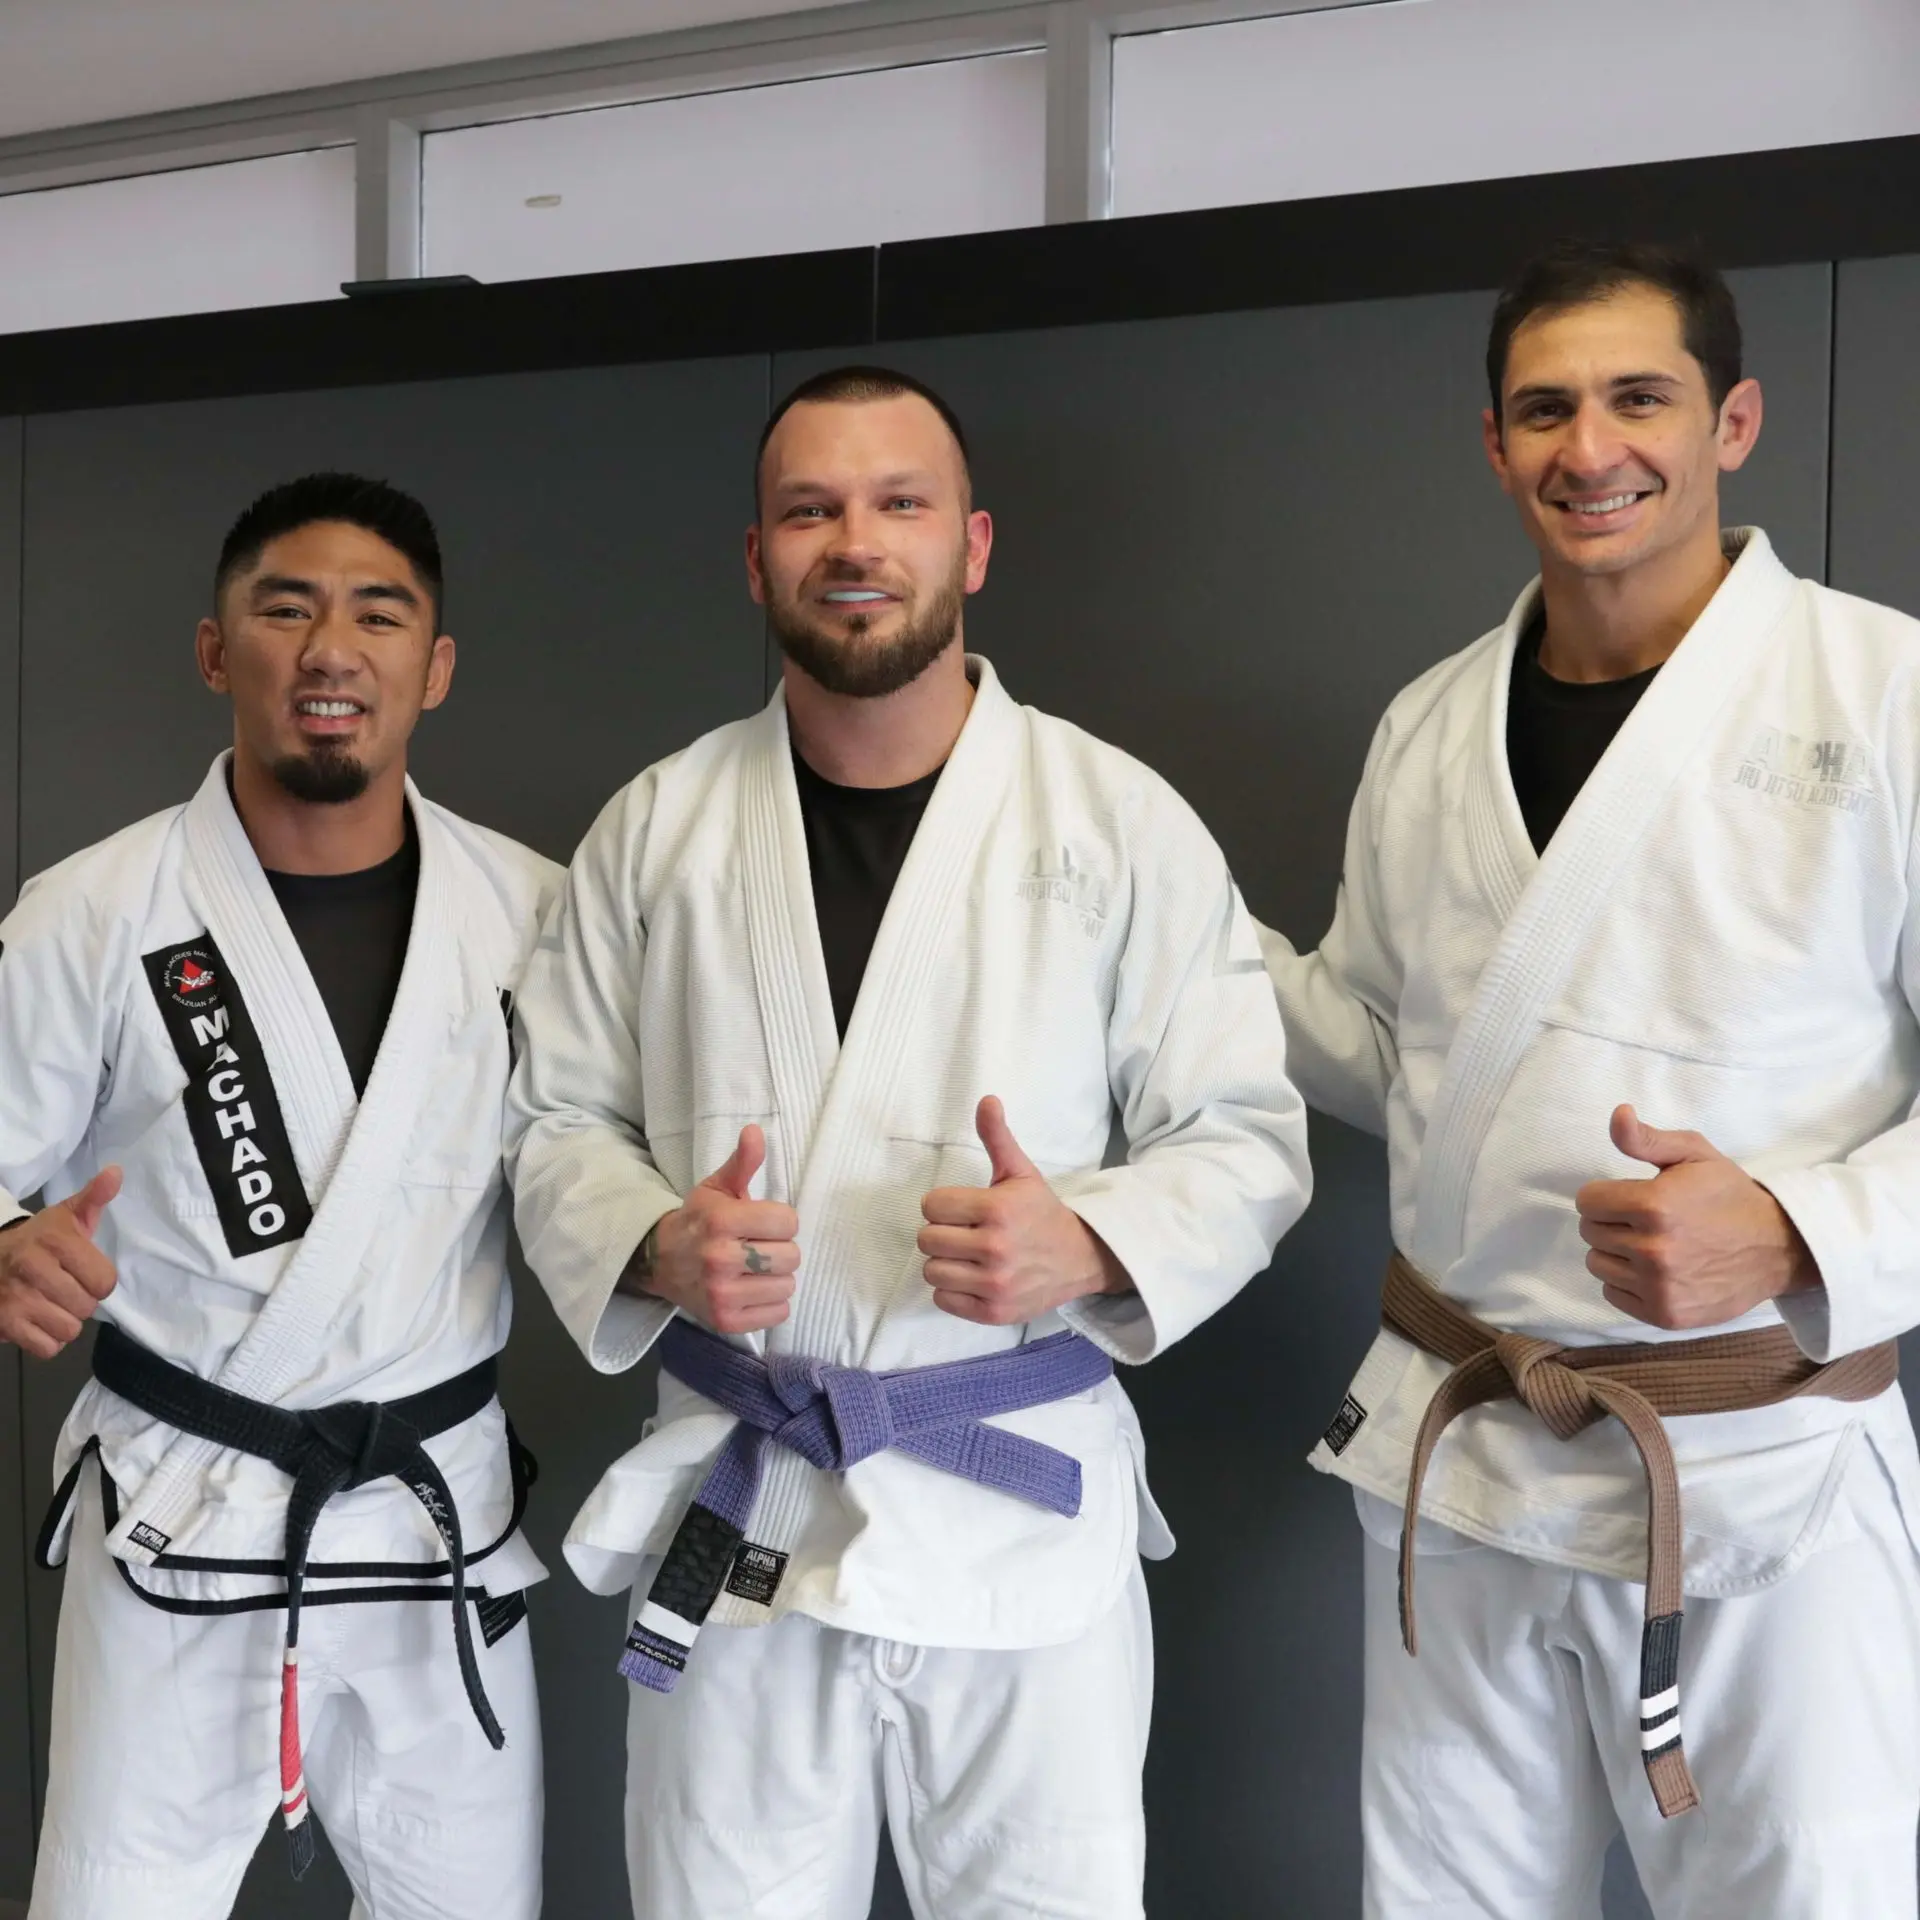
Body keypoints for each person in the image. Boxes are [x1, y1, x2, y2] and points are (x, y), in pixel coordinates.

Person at [506, 365, 1310, 1919]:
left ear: (975, 544)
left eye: (899, 504)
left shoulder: (1115, 821)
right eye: (809, 510)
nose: (853, 542)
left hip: (1020, 1507)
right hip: (747, 1489)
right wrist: (652, 1240)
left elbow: (1247, 1136)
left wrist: (1090, 1241)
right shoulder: (657, 830)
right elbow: (553, 1119)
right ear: (758, 560)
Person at [1263, 240, 1920, 1917]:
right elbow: (1378, 1045)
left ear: (1736, 421)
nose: (1591, 446)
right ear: (1495, 445)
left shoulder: (1888, 693)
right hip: (1466, 1453)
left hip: (1759, 1467)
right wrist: (1167, 942)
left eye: (1641, 397)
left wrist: (1792, 1231)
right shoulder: (1430, 727)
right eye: (1544, 409)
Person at [4, 473, 558, 1920]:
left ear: (432, 670)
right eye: (285, 609)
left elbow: (606, 1173)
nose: (331, 649)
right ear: (215, 651)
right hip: (184, 1514)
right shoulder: (93, 914)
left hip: (438, 1538)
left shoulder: (535, 918)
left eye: (379, 615)